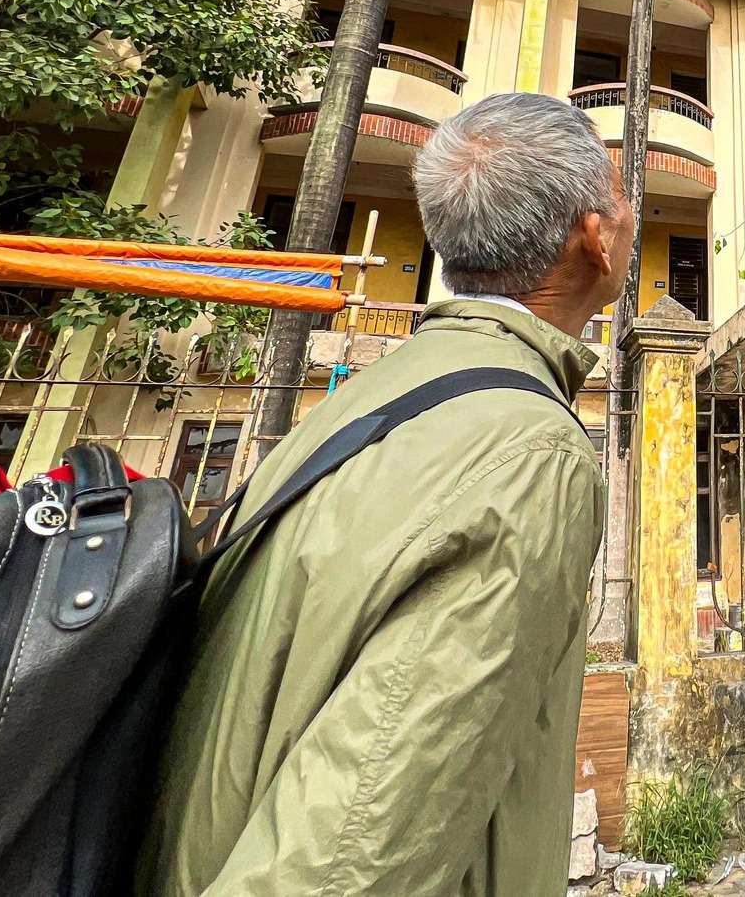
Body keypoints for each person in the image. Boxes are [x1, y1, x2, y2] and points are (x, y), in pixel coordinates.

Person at [142, 93, 634, 896]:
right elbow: (351, 851)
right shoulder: (528, 450)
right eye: (619, 195)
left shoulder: (367, 400)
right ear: (595, 238)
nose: (630, 211)